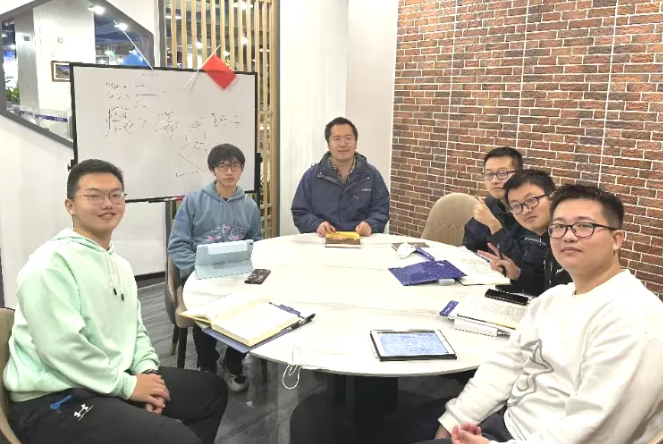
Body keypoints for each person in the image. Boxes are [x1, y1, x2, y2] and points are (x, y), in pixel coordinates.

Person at [413, 184, 663, 444]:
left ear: (616, 239)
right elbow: (505, 365)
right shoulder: (554, 298)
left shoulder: (635, 319)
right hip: (504, 421)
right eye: (559, 226)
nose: (568, 236)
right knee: (397, 421)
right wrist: (453, 422)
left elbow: (594, 428)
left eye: (584, 226)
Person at [4, 159, 228, 444]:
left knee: (211, 391)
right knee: (177, 437)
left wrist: (147, 372)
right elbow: (62, 349)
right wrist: (128, 386)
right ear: (70, 206)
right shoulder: (49, 265)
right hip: (55, 397)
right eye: (94, 196)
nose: (107, 204)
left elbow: (135, 330)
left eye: (115, 195)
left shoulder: (119, 264)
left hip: (109, 377)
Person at [168, 143, 261, 392]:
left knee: (251, 307)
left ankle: (233, 360)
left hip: (236, 275)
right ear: (212, 170)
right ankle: (207, 362)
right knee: (205, 312)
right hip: (200, 276)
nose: (229, 172)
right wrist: (197, 271)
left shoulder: (250, 207)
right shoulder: (193, 202)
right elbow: (177, 245)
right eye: (223, 166)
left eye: (235, 166)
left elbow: (256, 244)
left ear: (242, 169)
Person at [291, 117, 390, 237]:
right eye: (337, 139)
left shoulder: (371, 175)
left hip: (361, 240)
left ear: (356, 143)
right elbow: (300, 211)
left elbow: (381, 209)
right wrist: (316, 225)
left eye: (348, 138)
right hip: (322, 240)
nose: (343, 144)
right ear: (328, 145)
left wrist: (371, 224)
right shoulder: (312, 176)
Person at [478, 170, 571, 296]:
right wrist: (517, 274)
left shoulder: (571, 242)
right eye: (516, 206)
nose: (525, 210)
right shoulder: (547, 238)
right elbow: (549, 287)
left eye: (531, 200)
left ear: (553, 198)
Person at [463, 147, 526, 264]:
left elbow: (523, 264)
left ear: (520, 175)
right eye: (489, 174)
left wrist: (493, 225)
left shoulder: (531, 210)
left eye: (502, 173)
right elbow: (470, 246)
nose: (494, 180)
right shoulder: (490, 204)